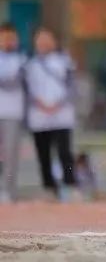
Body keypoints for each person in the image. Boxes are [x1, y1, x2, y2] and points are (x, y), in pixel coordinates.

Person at [24, 28, 79, 201]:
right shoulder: (29, 64)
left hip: (61, 115)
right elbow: (28, 89)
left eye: (47, 39)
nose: (44, 43)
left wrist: (57, 104)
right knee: (43, 153)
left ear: (54, 42)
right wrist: (40, 104)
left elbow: (71, 86)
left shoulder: (65, 61)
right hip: (39, 115)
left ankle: (71, 185)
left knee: (65, 152)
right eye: (40, 39)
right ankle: (49, 187)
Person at [0, 22, 26, 203]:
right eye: (5, 38)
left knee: (11, 155)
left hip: (13, 112)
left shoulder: (23, 61)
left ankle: (8, 190)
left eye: (12, 38)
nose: (9, 41)